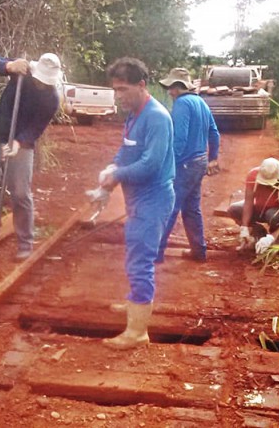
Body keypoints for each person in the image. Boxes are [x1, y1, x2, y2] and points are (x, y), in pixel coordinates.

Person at [97, 57, 175, 350]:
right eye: (115, 90)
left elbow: (152, 165)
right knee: (133, 256)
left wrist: (117, 175)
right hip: (138, 198)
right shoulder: (133, 114)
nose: (118, 96)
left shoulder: (157, 117)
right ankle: (135, 303)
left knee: (140, 260)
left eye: (123, 89)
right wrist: (113, 165)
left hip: (153, 198)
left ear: (141, 85)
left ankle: (138, 331)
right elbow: (127, 149)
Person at [0, 52, 62, 261]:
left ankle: (25, 243)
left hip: (23, 143)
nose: (42, 85)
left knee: (20, 193)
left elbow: (36, 127)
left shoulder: (51, 99)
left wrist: (18, 142)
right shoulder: (21, 72)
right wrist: (9, 66)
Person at [155, 68, 220, 263]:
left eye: (171, 88)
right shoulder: (201, 102)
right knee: (191, 208)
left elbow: (180, 140)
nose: (169, 92)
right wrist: (213, 158)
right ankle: (198, 251)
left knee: (168, 206)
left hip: (185, 164)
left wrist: (168, 165)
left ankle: (156, 253)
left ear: (178, 87)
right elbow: (214, 132)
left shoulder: (182, 105)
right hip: (199, 162)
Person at [228, 157, 279, 254]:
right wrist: (244, 227)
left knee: (272, 215)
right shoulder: (253, 175)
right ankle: (258, 234)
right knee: (234, 209)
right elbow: (248, 201)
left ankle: (277, 240)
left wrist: (271, 238)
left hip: (275, 215)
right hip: (260, 209)